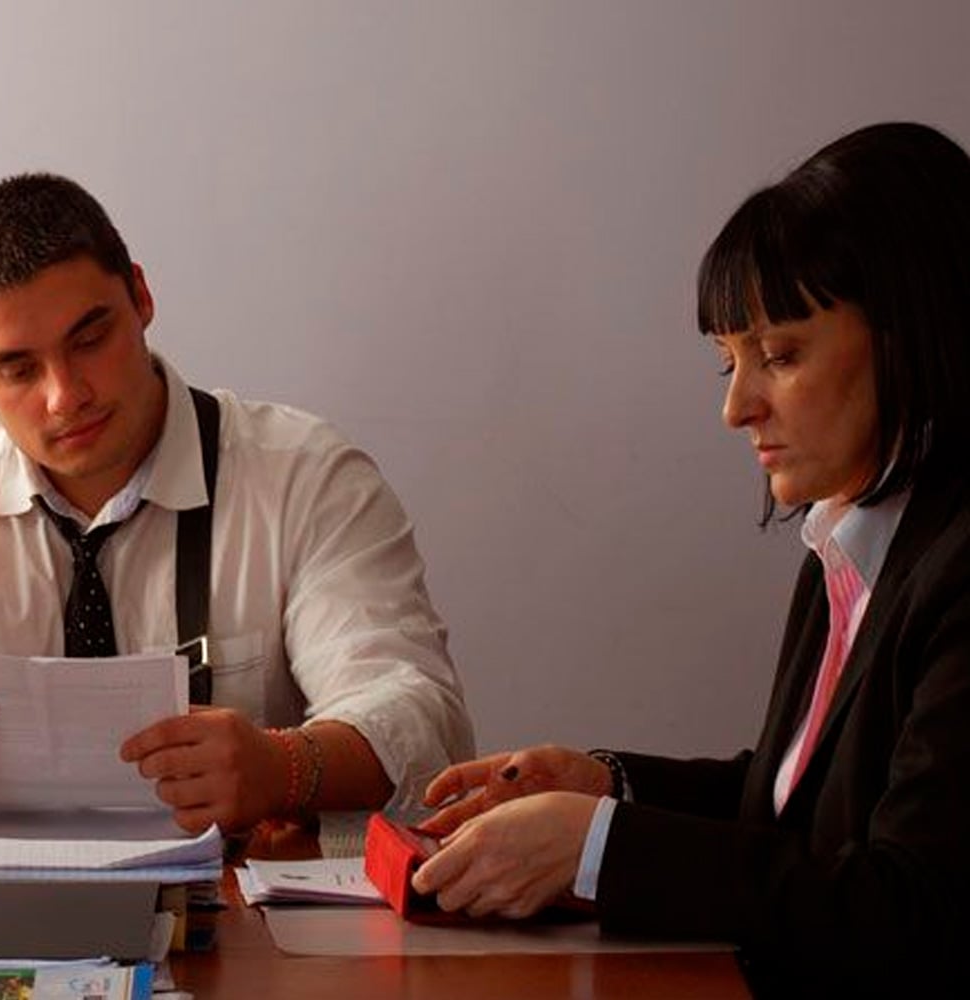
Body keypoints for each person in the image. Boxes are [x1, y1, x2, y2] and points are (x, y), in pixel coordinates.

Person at [410, 121, 970, 998]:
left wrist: (598, 848)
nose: (738, 408)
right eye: (729, 365)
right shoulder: (853, 532)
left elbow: (915, 909)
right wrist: (609, 788)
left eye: (778, 356)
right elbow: (802, 813)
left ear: (912, 330)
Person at [0, 172, 473, 833]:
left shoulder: (307, 477)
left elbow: (421, 719)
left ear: (142, 298)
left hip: (249, 920)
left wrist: (283, 766)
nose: (66, 395)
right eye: (18, 369)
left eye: (90, 339)